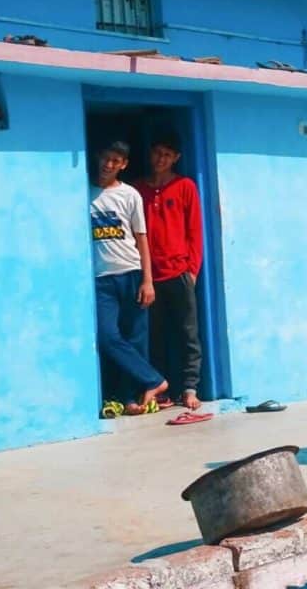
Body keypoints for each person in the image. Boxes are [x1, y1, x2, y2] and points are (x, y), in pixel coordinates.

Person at [90, 140, 168, 415]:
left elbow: (141, 238)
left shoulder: (130, 195)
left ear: (123, 165)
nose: (108, 164)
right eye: (106, 158)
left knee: (136, 339)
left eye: (115, 160)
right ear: (99, 157)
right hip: (101, 279)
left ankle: (133, 398)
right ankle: (155, 380)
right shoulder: (85, 192)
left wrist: (148, 280)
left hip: (131, 273)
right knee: (108, 337)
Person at [133, 131, 204, 411]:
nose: (160, 159)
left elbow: (195, 231)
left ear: (176, 158)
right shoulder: (138, 189)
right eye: (157, 153)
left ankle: (189, 388)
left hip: (179, 272)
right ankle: (161, 389)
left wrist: (192, 271)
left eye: (167, 154)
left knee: (188, 334)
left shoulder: (185, 186)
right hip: (149, 276)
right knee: (155, 336)